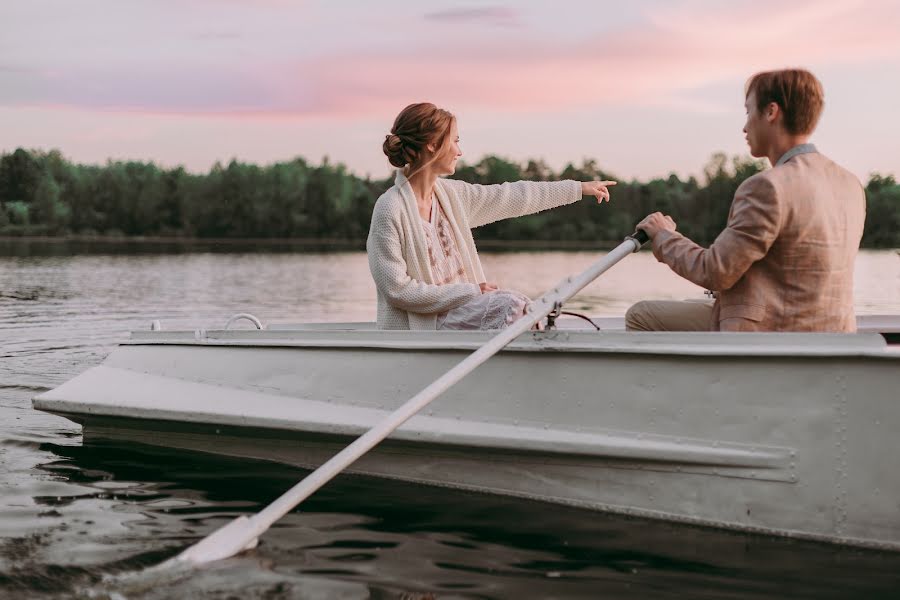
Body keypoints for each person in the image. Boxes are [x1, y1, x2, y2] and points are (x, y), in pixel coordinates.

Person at [627, 68, 866, 333]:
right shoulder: (850, 184)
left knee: (641, 315)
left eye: (748, 111)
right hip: (834, 333)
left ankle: (717, 376)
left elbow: (715, 272)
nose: (745, 126)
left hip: (769, 335)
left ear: (771, 112)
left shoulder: (767, 187)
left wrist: (663, 236)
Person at [367, 102, 616, 331]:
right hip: (424, 328)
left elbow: (513, 196)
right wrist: (471, 292)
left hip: (462, 315)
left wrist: (576, 189)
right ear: (432, 144)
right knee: (512, 305)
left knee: (523, 306)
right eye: (454, 141)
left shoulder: (453, 197)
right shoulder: (390, 208)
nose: (459, 151)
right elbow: (397, 290)